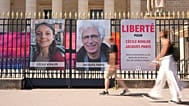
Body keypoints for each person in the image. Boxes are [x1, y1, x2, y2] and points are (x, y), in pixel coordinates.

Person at [144, 30, 186, 104]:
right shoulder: (164, 40)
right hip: (165, 60)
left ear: (163, 34)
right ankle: (154, 94)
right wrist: (158, 60)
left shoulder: (165, 41)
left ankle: (176, 98)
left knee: (171, 79)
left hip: (168, 61)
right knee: (160, 78)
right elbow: (164, 52)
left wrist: (156, 59)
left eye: (161, 32)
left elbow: (164, 51)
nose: (159, 33)